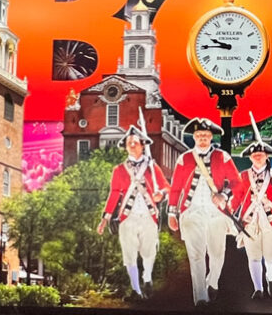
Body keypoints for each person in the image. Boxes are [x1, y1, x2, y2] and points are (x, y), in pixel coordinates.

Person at [168, 118, 243, 307]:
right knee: (196, 255)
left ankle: (213, 282)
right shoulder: (184, 158)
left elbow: (237, 183)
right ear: (194, 137)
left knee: (217, 253)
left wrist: (224, 196)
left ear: (211, 137)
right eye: (199, 135)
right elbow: (175, 187)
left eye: (206, 135)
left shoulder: (222, 156)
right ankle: (200, 298)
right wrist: (171, 212)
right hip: (192, 212)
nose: (202, 138)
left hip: (216, 213)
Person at [97, 125, 169, 300]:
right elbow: (114, 193)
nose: (132, 145)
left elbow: (166, 187)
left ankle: (147, 278)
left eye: (135, 143)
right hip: (127, 217)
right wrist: (105, 218)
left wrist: (162, 194)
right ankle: (136, 290)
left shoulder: (153, 168)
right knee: (129, 255)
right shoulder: (119, 170)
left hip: (149, 215)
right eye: (129, 143)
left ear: (143, 145)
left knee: (149, 252)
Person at [231, 130, 272, 300]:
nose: (257, 157)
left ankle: (271, 279)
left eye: (260, 154)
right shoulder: (243, 176)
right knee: (254, 257)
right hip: (250, 223)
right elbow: (237, 198)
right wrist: (228, 209)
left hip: (271, 222)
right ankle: (258, 289)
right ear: (250, 158)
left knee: (271, 257)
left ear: (266, 156)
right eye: (255, 155)